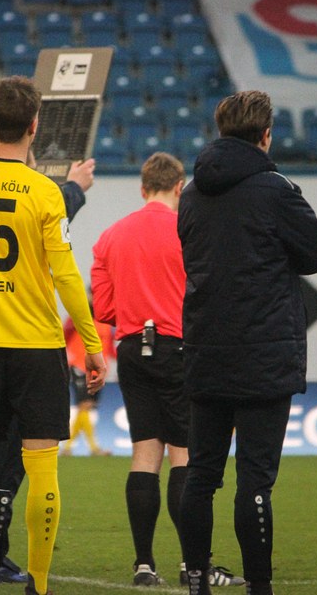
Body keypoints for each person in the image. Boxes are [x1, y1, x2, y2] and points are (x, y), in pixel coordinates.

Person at [0, 75, 107, 595]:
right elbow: (66, 275)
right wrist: (93, 345)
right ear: (35, 126)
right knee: (42, 464)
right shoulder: (44, 192)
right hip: (35, 346)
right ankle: (39, 583)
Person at [176, 91, 317, 595]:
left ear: (222, 130)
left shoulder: (191, 193)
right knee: (255, 481)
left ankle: (196, 580)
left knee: (201, 475)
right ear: (266, 135)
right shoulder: (275, 190)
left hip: (205, 349)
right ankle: (259, 586)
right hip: (265, 354)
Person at [90, 152, 244, 588]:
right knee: (185, 456)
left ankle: (144, 565)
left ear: (143, 189)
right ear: (180, 187)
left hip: (132, 350)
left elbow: (103, 308)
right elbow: (210, 297)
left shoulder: (110, 236)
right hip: (180, 348)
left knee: (145, 454)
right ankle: (193, 564)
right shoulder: (189, 231)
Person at [61, 301, 115, 457]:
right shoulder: (77, 320)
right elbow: (63, 336)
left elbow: (109, 348)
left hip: (99, 370)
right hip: (80, 366)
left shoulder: (106, 324)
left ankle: (68, 448)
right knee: (85, 405)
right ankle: (93, 448)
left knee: (87, 407)